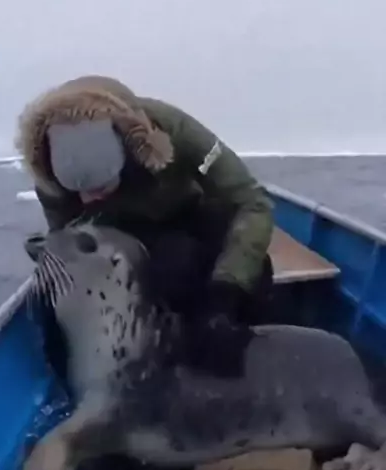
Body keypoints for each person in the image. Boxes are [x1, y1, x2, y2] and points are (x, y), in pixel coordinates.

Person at [16, 75, 274, 375]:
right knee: (171, 267)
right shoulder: (48, 172)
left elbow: (251, 202)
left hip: (190, 212)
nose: (91, 198)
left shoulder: (176, 131)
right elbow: (65, 246)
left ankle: (250, 355)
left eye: (102, 185)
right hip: (122, 235)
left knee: (251, 270)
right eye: (78, 192)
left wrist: (226, 292)